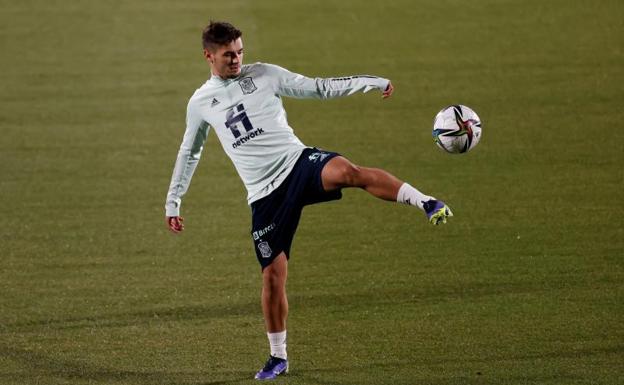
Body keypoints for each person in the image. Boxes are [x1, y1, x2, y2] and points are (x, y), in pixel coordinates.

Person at [165, 21, 453, 381]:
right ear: (208, 56)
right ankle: (278, 357)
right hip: (264, 195)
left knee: (348, 171)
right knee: (272, 277)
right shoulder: (200, 103)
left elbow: (317, 87)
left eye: (240, 51)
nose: (237, 59)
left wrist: (371, 81)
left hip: (297, 165)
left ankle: (425, 201)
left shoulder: (266, 74)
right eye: (228, 55)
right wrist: (173, 202)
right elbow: (188, 152)